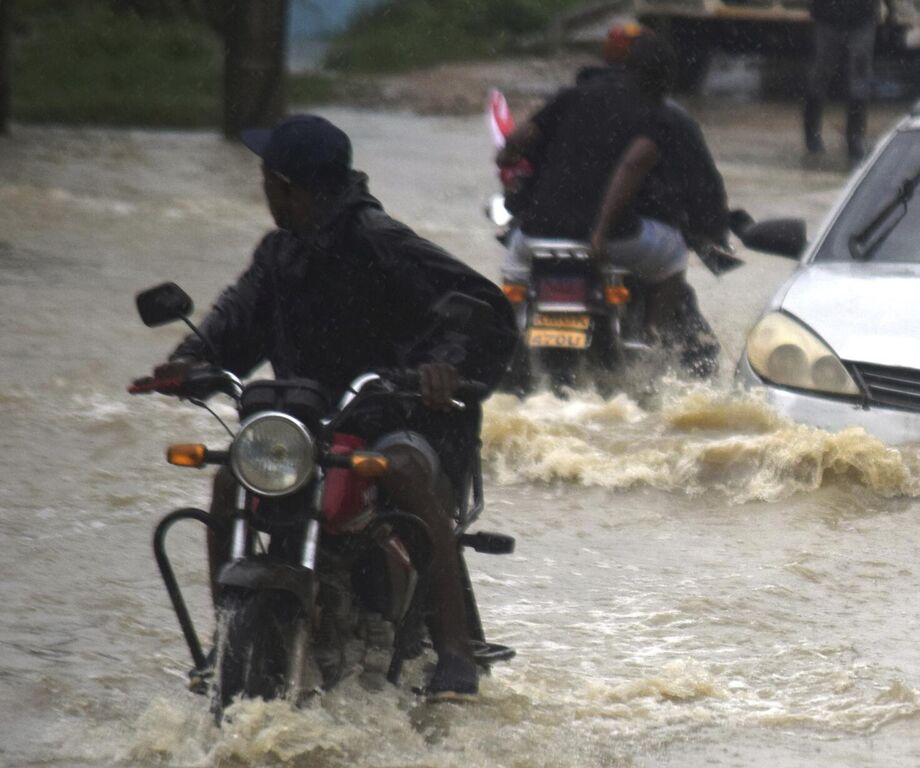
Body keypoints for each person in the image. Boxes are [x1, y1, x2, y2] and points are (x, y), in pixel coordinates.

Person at [138, 114, 517, 698]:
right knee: (228, 481)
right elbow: (235, 320)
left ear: (286, 186)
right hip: (301, 425)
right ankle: (226, 637)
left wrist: (447, 366)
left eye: (267, 179)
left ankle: (455, 655)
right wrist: (192, 361)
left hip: (396, 417)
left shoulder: (382, 242)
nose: (264, 190)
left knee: (405, 473)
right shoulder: (278, 255)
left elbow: (485, 308)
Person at [494, 30, 727, 374]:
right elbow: (636, 168)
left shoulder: (570, 97)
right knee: (673, 255)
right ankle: (650, 343)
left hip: (537, 233)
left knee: (514, 264)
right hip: (610, 239)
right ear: (667, 76)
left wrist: (506, 157)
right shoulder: (660, 115)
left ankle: (508, 344)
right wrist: (601, 232)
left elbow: (517, 141)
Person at [804, 0, 894, 163]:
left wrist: (890, 10)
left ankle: (854, 138)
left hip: (860, 17)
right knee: (822, 74)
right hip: (830, 16)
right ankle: (813, 134)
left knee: (858, 78)